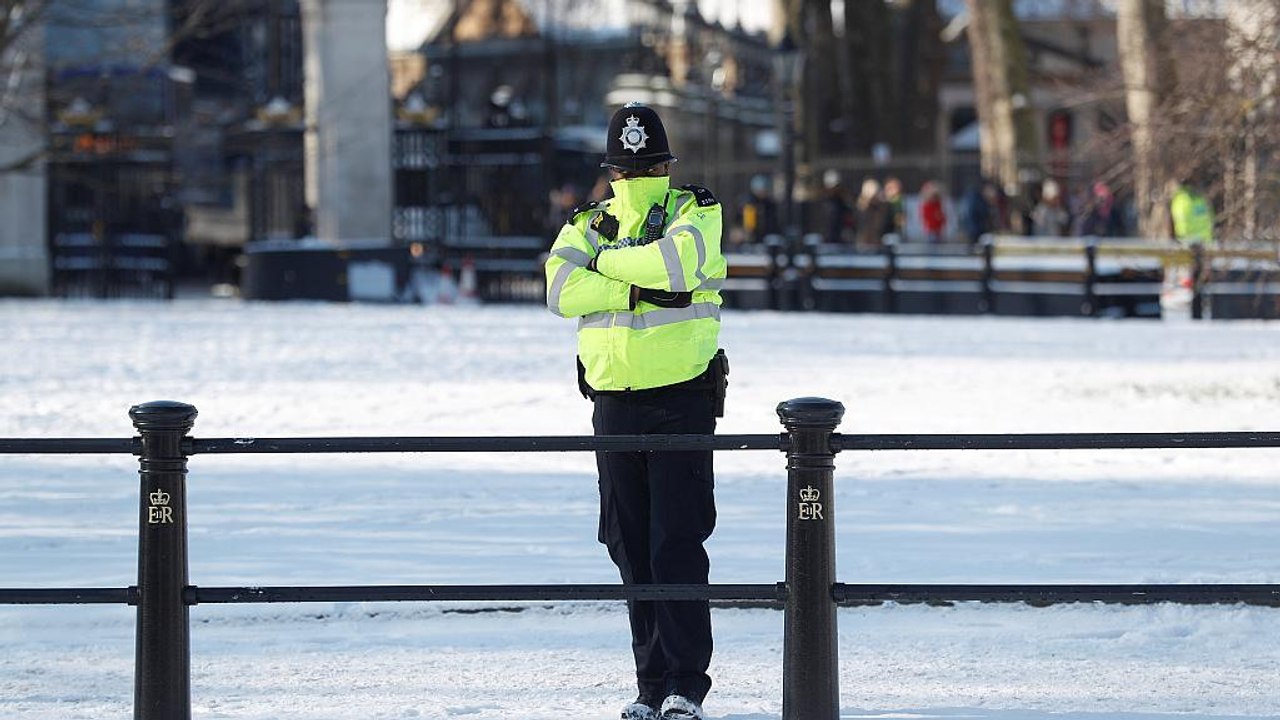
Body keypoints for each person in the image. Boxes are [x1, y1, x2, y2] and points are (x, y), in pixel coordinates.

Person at [543, 102, 727, 720]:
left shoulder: (689, 211)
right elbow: (557, 290)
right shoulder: (600, 222)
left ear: (614, 171)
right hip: (627, 402)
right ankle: (660, 688)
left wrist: (600, 262)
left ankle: (676, 685)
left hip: (672, 400)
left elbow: (674, 267)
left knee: (662, 545)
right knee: (642, 547)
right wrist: (634, 282)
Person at [1169, 179, 1215, 245]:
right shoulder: (1200, 198)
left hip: (1185, 240)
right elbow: (1210, 218)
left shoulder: (1178, 199)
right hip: (1203, 241)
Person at [741, 174, 780, 246]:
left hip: (766, 237)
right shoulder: (749, 204)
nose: (761, 192)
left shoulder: (769, 204)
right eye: (759, 190)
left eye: (763, 190)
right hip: (751, 238)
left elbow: (773, 221)